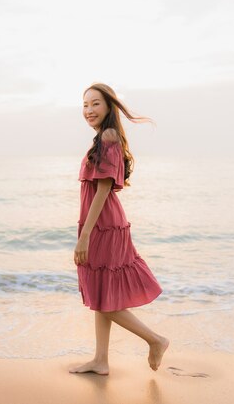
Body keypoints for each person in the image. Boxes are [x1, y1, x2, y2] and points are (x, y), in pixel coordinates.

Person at [69, 83, 169, 376]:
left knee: (103, 296)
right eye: (85, 104)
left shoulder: (108, 137)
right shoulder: (103, 137)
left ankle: (156, 340)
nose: (89, 110)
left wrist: (85, 236)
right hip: (101, 222)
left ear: (109, 107)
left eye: (95, 104)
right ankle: (100, 360)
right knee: (102, 290)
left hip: (103, 225)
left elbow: (102, 189)